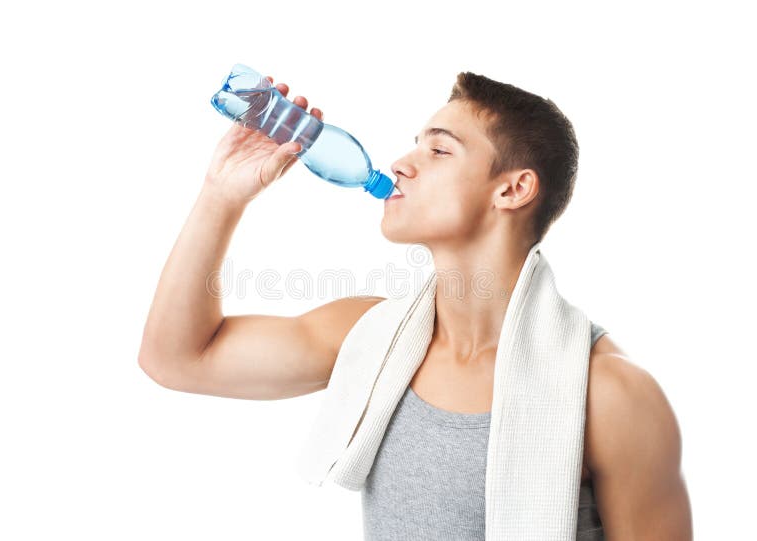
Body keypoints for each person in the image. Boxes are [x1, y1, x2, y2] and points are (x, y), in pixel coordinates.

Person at [138, 71, 693, 539]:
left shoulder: (611, 394)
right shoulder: (369, 337)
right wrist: (222, 193)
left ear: (512, 189)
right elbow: (176, 359)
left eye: (439, 149)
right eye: (415, 144)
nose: (403, 163)